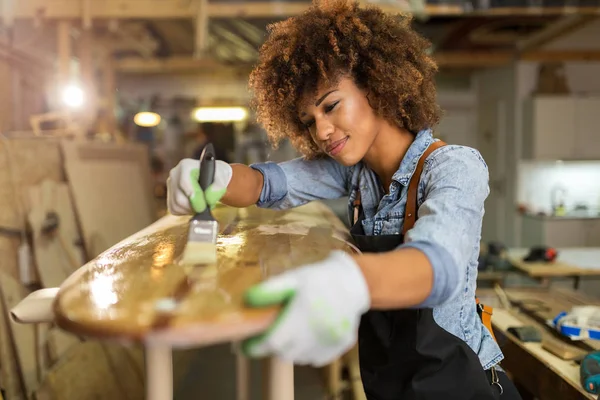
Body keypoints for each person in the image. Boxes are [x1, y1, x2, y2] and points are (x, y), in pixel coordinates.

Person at [166, 1, 523, 398]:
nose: (321, 130)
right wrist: (212, 176)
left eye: (331, 106)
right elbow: (267, 186)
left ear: (376, 85)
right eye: (308, 120)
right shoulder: (355, 172)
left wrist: (351, 282)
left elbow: (439, 267)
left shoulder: (455, 166)